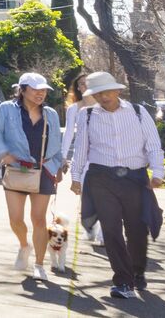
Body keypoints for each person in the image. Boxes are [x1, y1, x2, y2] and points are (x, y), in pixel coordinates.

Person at [67, 72, 165, 301]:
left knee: (137, 230)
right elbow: (81, 148)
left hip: (135, 178)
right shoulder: (87, 115)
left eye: (107, 91)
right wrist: (75, 177)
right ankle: (122, 281)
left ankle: (137, 272)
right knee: (110, 230)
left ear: (118, 90)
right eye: (97, 93)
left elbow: (153, 145)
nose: (103, 97)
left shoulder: (138, 112)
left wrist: (158, 173)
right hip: (101, 178)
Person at [0, 71, 64, 281]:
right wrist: (3, 154)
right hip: (16, 169)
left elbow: (56, 141)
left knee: (39, 219)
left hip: (44, 169)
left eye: (44, 90)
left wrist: (59, 165)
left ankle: (39, 264)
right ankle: (24, 245)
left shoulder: (51, 113)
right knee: (15, 219)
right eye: (35, 89)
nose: (41, 94)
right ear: (22, 90)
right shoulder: (6, 108)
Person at [59, 73, 102, 247]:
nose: (85, 86)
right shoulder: (74, 109)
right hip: (82, 158)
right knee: (86, 195)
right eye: (82, 84)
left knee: (105, 196)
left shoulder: (104, 105)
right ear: (78, 87)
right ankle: (90, 227)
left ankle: (104, 234)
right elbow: (69, 133)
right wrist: (63, 157)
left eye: (88, 83)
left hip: (103, 157)